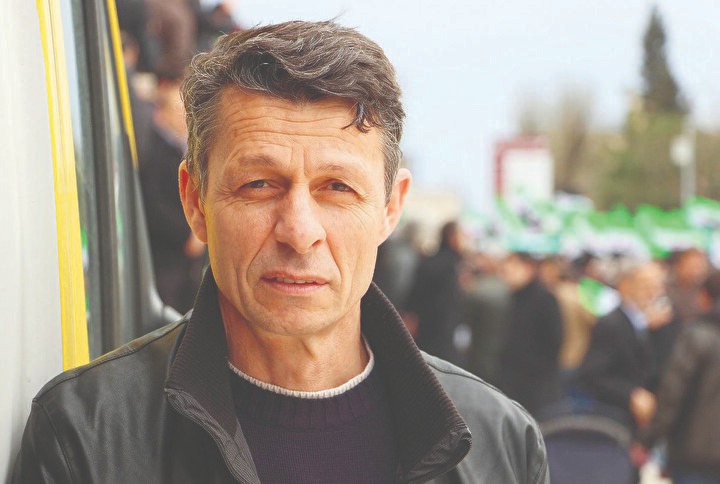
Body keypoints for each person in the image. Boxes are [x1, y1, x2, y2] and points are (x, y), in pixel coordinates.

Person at [12, 21, 548, 483]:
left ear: (391, 207)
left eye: (337, 187)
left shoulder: (501, 445)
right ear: (195, 202)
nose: (299, 231)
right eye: (259, 185)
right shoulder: (85, 436)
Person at [633, 271, 720, 484]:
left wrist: (648, 439)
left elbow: (672, 394)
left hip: (695, 455)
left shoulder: (697, 336)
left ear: (704, 296)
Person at [579, 259, 674, 430]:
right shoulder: (611, 324)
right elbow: (592, 375)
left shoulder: (652, 324)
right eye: (646, 285)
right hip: (615, 419)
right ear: (626, 286)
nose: (654, 292)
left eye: (658, 286)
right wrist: (631, 395)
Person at [139, 74, 206, 313]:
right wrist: (186, 234)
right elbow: (154, 204)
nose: (185, 119)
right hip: (166, 259)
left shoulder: (177, 147)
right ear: (161, 113)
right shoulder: (155, 149)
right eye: (179, 111)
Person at [497, 251, 564, 417]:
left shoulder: (544, 299)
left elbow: (554, 341)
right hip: (514, 383)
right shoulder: (514, 297)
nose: (507, 275)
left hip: (535, 388)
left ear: (528, 268)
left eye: (512, 269)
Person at [405, 220, 467, 365]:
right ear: (452, 238)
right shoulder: (450, 266)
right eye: (463, 235)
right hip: (439, 331)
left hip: (427, 329)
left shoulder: (432, 261)